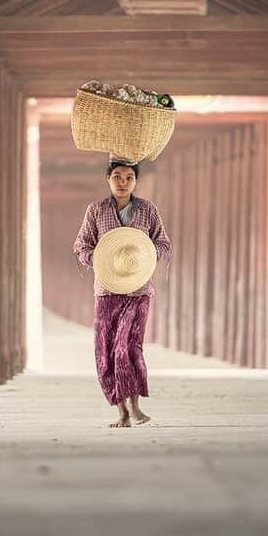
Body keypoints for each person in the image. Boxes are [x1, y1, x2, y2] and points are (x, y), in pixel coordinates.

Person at [73, 161, 172, 427]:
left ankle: (135, 406)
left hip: (139, 291)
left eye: (129, 177)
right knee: (105, 351)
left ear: (135, 181)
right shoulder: (95, 210)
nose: (123, 182)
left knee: (128, 348)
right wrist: (100, 259)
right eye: (117, 176)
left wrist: (146, 257)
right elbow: (81, 245)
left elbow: (163, 243)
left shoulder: (148, 210)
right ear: (108, 179)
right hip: (106, 291)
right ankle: (122, 412)